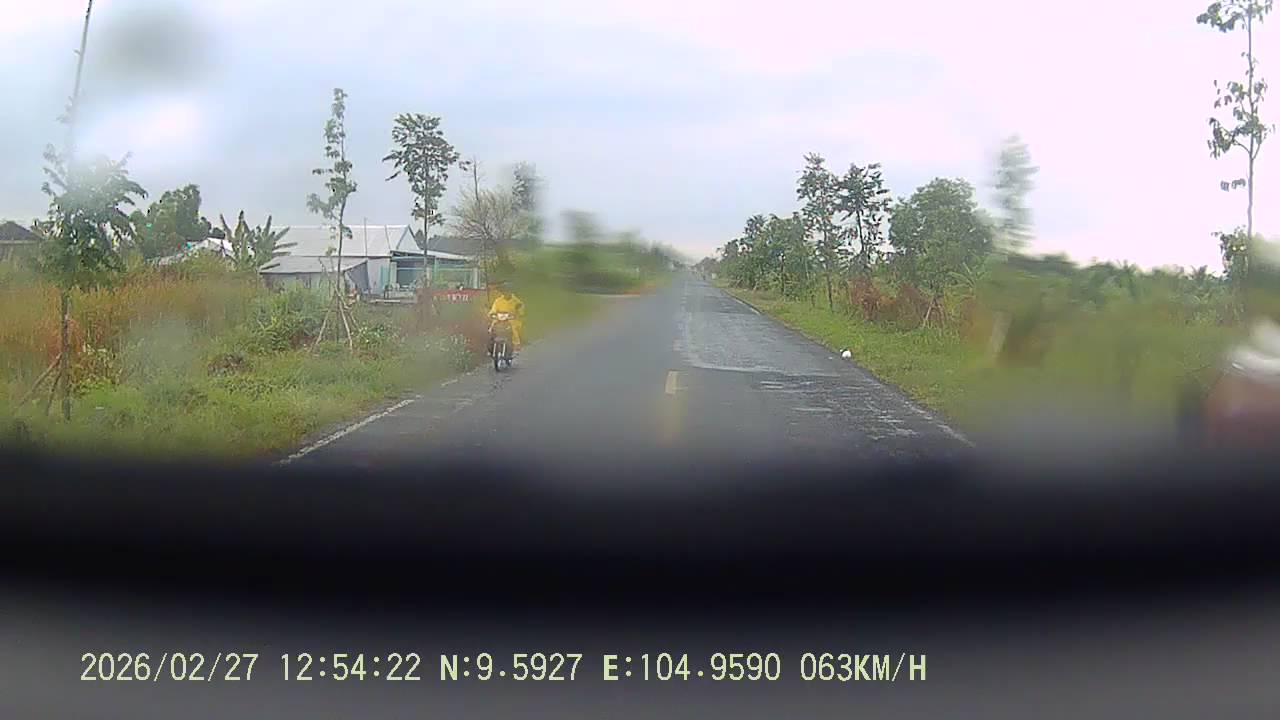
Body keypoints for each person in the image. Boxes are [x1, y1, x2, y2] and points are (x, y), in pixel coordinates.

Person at [488, 281, 526, 351]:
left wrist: (519, 312)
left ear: (511, 291)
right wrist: (492, 314)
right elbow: (493, 310)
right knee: (492, 328)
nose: (506, 293)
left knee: (514, 328)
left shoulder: (516, 301)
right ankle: (491, 346)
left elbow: (521, 309)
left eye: (508, 291)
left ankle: (516, 345)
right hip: (499, 319)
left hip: (512, 320)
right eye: (504, 291)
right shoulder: (498, 301)